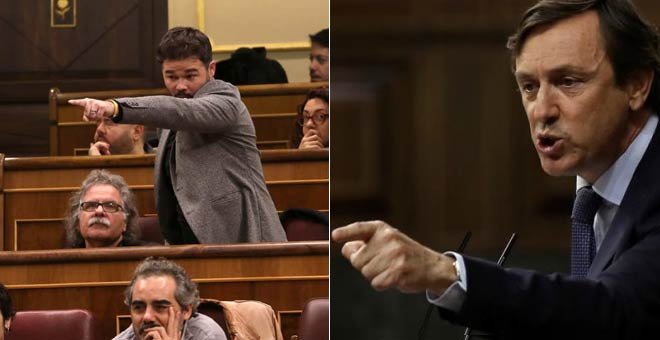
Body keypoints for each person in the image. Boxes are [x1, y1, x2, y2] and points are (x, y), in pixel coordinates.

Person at [332, 0, 660, 338]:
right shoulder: (596, 188)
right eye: (529, 86)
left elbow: (616, 309)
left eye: (568, 81)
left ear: (636, 85)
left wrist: (445, 273)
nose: (542, 111)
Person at [69, 27, 286, 244]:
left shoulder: (227, 101)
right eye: (171, 76)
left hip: (242, 237)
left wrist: (115, 108)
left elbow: (180, 112)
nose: (180, 85)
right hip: (186, 242)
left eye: (190, 75)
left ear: (211, 69)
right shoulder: (170, 118)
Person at [113, 257, 227, 340]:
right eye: (138, 307)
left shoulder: (206, 335)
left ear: (186, 310)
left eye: (160, 307)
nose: (147, 317)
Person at [64, 169, 145, 248]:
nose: (99, 211)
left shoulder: (147, 255)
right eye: (90, 205)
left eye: (110, 206)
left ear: (125, 222)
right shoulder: (65, 259)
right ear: (78, 220)